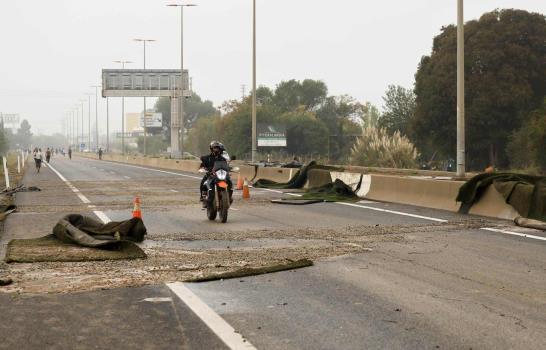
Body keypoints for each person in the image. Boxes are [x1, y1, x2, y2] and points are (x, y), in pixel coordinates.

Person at [199, 141, 233, 207]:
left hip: (221, 175)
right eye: (215, 148)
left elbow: (226, 165)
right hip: (211, 175)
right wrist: (203, 168)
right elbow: (202, 165)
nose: (216, 149)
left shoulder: (223, 158)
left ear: (220, 149)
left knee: (229, 181)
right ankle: (203, 198)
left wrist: (230, 168)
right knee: (203, 182)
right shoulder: (207, 158)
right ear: (211, 149)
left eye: (217, 148)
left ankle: (229, 197)